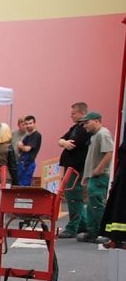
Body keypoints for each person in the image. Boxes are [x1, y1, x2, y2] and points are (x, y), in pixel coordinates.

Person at [75, 111, 114, 244]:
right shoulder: (94, 136)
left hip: (99, 176)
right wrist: (86, 176)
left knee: (97, 204)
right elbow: (91, 158)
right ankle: (92, 232)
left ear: (97, 121)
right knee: (91, 205)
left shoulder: (103, 134)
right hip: (93, 176)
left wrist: (99, 170)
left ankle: (104, 232)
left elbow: (109, 152)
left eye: (87, 122)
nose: (85, 126)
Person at [56, 102, 92, 239]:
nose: (71, 116)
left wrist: (64, 143)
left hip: (77, 168)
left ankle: (73, 227)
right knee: (72, 195)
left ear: (82, 113)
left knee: (73, 197)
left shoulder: (83, 129)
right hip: (71, 168)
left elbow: (72, 144)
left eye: (74, 114)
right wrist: (64, 142)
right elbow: (61, 140)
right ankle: (83, 224)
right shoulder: (75, 127)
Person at [16, 115, 41, 186]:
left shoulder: (36, 135)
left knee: (24, 185)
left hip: (28, 164)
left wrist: (20, 146)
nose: (28, 125)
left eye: (30, 123)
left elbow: (27, 149)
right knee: (19, 184)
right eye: (26, 124)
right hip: (22, 162)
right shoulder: (27, 135)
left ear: (34, 123)